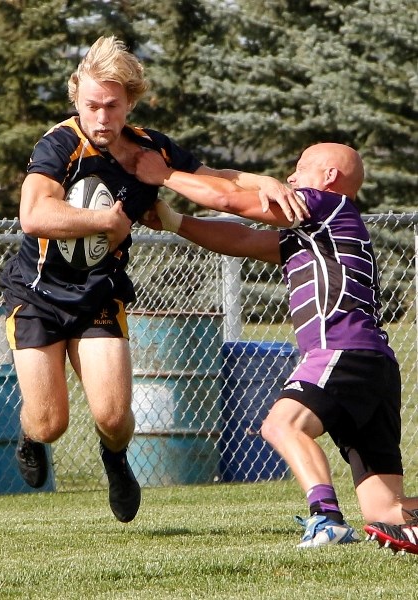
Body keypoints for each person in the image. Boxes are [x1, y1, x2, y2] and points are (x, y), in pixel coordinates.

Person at [0, 35, 304, 523]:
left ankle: (115, 460)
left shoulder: (148, 149)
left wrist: (261, 181)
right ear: (76, 97)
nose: (101, 117)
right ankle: (30, 435)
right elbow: (34, 215)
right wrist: (106, 223)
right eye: (92, 105)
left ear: (130, 103)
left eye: (112, 106)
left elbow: (214, 176)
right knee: (50, 423)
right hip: (37, 296)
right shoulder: (59, 144)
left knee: (115, 419)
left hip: (99, 295)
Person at [134, 142, 418, 554]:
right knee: (387, 510)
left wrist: (163, 175)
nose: (289, 178)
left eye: (299, 169)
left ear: (328, 177)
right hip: (372, 363)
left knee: (282, 425)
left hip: (341, 350)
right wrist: (175, 220)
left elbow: (231, 200)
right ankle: (346, 520)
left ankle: (327, 521)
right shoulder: (319, 234)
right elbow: (245, 240)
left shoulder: (325, 204)